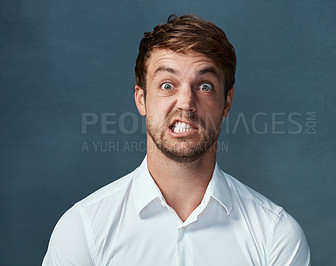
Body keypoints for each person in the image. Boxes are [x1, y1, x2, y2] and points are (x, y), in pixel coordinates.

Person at [42, 14, 310, 265]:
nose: (186, 103)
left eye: (204, 86)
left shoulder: (276, 236)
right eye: (167, 85)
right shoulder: (83, 228)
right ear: (141, 99)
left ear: (227, 103)